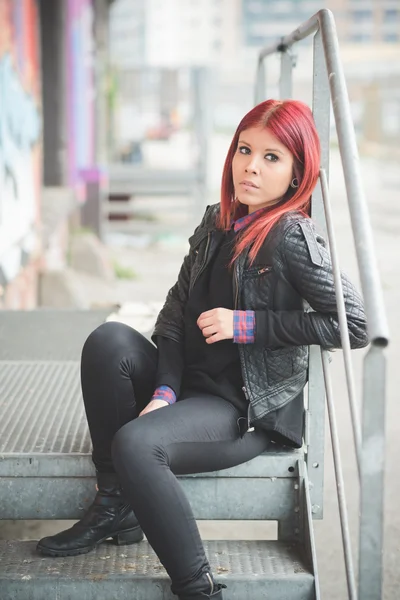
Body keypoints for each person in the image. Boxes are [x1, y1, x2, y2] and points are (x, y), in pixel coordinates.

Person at [36, 99, 369, 599]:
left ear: (299, 172)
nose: (251, 166)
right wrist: (164, 392)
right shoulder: (219, 221)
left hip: (241, 407)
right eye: (244, 149)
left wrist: (249, 324)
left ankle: (197, 587)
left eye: (272, 157)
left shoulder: (291, 237)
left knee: (137, 442)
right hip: (190, 387)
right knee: (108, 341)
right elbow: (172, 319)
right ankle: (116, 507)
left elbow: (355, 324)